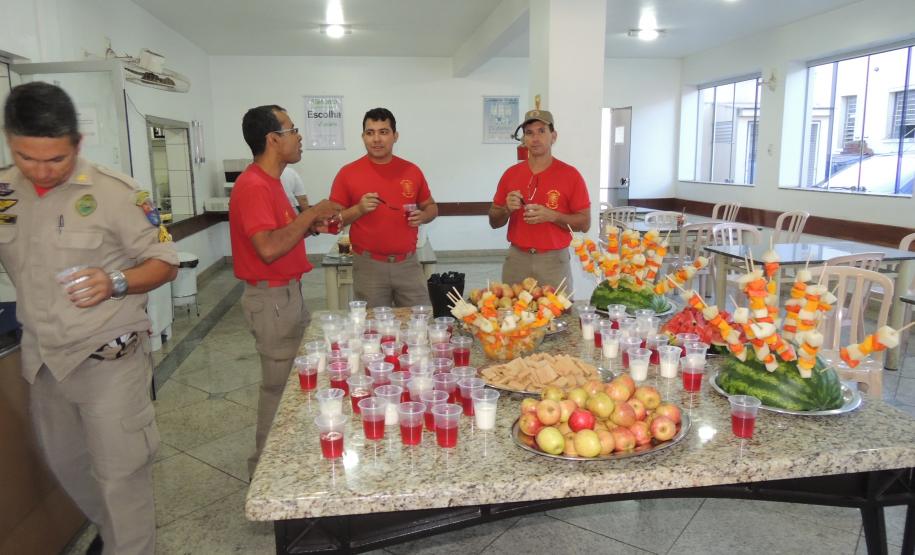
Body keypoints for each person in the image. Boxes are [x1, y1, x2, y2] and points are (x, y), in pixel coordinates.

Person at [0, 82, 179, 554]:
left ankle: (128, 542)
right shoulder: (4, 192)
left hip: (108, 361)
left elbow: (165, 262)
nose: (41, 170)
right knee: (70, 469)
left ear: (77, 143)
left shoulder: (115, 193)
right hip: (44, 363)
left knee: (122, 479)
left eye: (55, 159)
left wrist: (115, 281)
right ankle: (116, 535)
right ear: (9, 141)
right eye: (26, 157)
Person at [229, 105, 337, 477]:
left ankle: (284, 460)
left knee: (293, 382)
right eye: (292, 130)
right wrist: (310, 214)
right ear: (273, 139)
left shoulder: (274, 182)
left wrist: (314, 221)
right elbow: (269, 248)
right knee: (278, 387)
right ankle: (265, 472)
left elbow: (284, 236)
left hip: (287, 294)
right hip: (272, 300)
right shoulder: (254, 186)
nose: (299, 136)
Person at [329, 107, 437, 307]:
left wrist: (424, 216)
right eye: (370, 133)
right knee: (373, 324)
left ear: (395, 136)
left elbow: (431, 207)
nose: (376, 139)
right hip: (369, 266)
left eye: (383, 132)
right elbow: (331, 221)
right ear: (363, 137)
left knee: (419, 319)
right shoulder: (348, 173)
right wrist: (359, 209)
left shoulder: (412, 171)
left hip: (408, 264)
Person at [489, 108, 590, 289]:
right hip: (517, 260)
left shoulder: (570, 175)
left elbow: (585, 224)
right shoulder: (511, 174)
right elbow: (494, 222)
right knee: (511, 307)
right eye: (529, 133)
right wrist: (506, 209)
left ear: (553, 136)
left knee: (559, 308)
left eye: (541, 131)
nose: (535, 138)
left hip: (554, 262)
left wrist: (553, 216)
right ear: (524, 139)